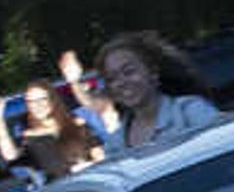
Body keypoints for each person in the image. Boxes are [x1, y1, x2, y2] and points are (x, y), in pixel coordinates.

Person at [67, 34, 220, 158]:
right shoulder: (116, 144)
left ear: (153, 72)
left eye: (129, 72)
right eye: (112, 78)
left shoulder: (191, 111)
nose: (122, 82)